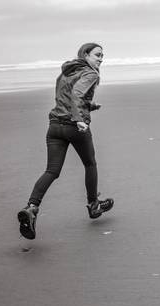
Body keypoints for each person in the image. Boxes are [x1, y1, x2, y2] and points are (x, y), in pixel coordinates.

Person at [17, 42, 114, 239]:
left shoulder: (66, 71)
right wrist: (79, 119)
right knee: (90, 164)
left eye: (103, 55)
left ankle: (32, 208)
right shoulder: (91, 73)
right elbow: (77, 94)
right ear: (85, 54)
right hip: (73, 127)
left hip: (54, 126)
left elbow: (66, 96)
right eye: (97, 55)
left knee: (52, 171)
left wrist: (91, 105)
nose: (101, 59)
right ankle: (93, 205)